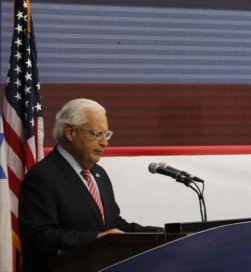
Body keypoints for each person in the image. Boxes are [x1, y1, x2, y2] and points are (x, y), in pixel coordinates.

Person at [19, 98, 159, 272]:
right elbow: (38, 237)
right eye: (97, 134)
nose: (105, 143)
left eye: (106, 135)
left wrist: (166, 234)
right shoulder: (43, 176)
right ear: (70, 132)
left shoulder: (98, 174)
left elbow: (114, 226)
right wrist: (96, 239)